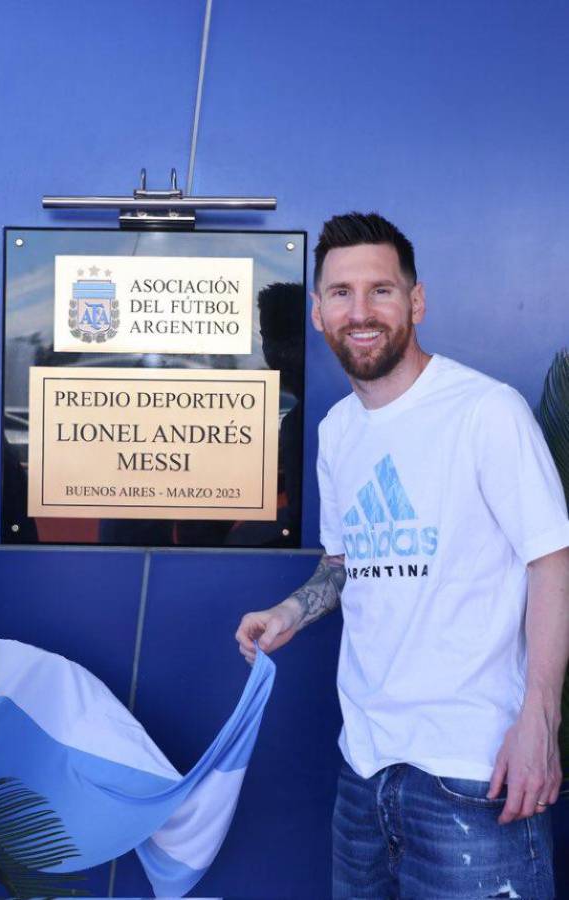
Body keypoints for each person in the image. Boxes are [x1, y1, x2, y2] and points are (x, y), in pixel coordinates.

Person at [235, 212, 569, 898]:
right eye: (341, 293)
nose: (360, 312)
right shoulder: (337, 432)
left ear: (416, 301)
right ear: (319, 311)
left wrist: (539, 718)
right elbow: (343, 563)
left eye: (381, 291)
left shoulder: (485, 412)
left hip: (475, 772)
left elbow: (551, 561)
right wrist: (290, 613)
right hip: (364, 768)